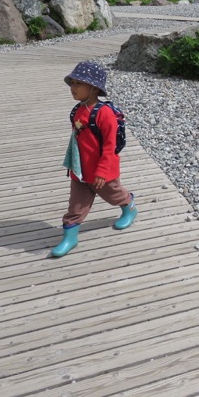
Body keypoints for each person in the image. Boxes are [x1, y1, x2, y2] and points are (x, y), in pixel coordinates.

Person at [51, 61, 137, 257]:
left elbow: (110, 147)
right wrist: (73, 165)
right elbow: (77, 142)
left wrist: (102, 171)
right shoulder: (77, 111)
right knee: (75, 205)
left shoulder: (105, 114)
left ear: (94, 88)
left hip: (102, 173)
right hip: (80, 171)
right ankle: (70, 237)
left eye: (78, 84)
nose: (73, 88)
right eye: (72, 83)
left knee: (114, 196)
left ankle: (129, 206)